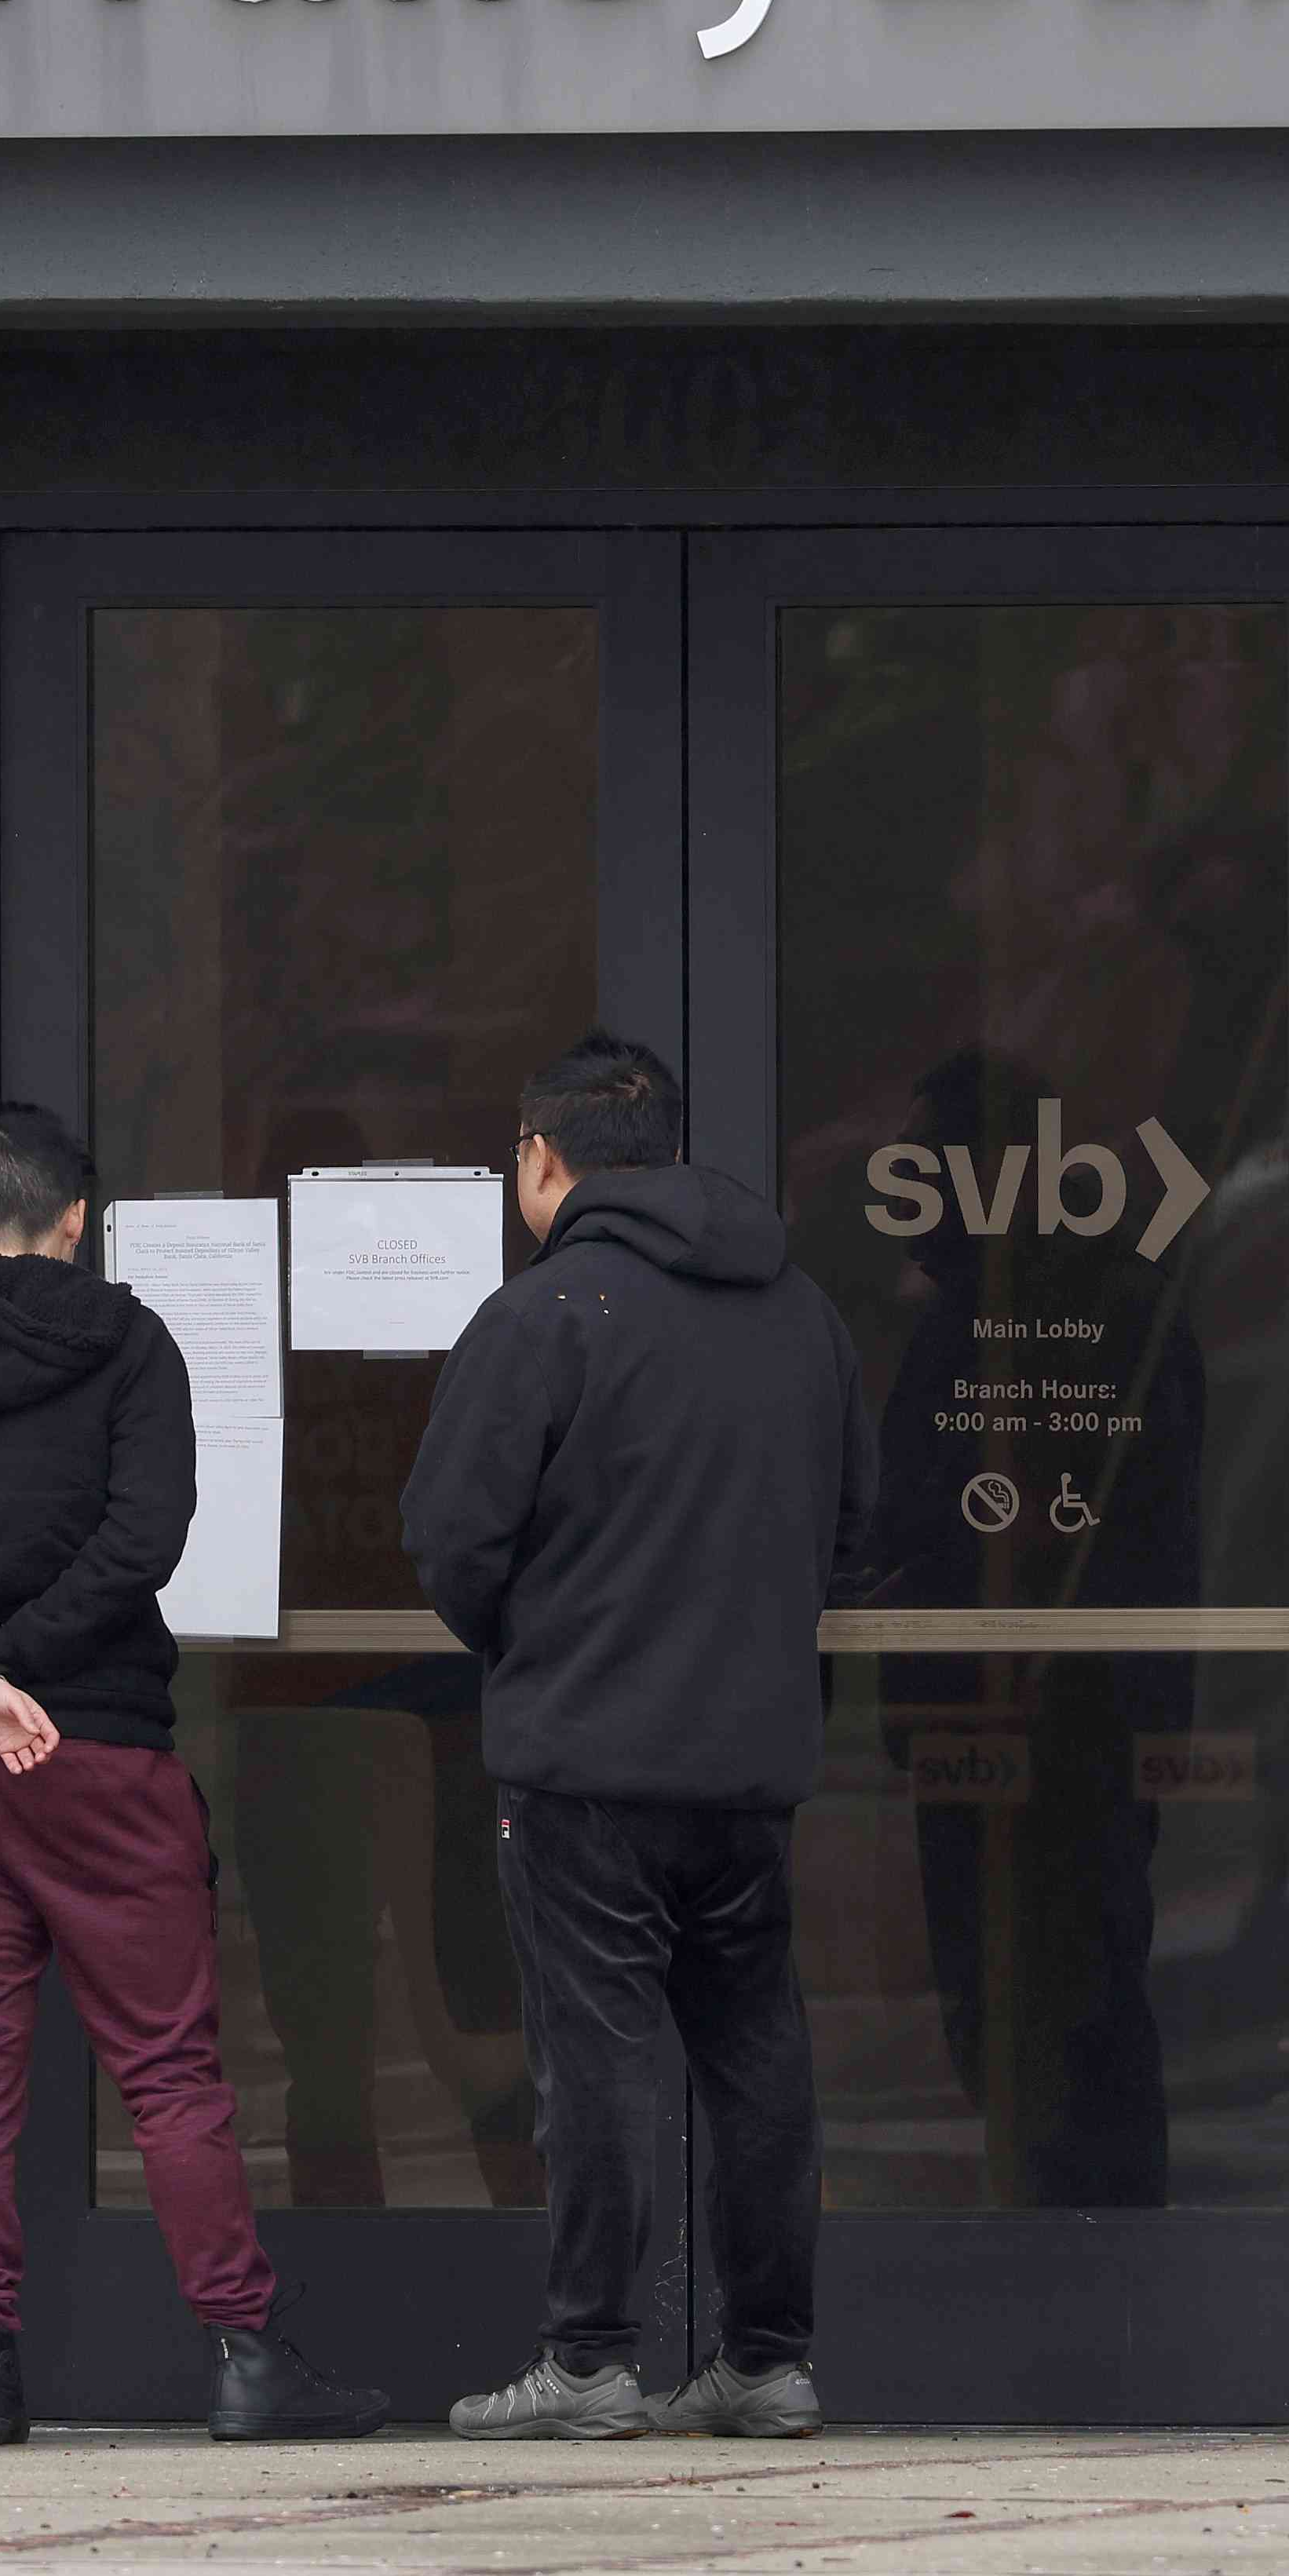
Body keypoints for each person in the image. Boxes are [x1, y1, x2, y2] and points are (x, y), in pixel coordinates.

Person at [0, 1100, 388, 2447]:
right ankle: (243, 2359)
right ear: (79, 1225)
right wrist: (14, 1675)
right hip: (105, 1754)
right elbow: (148, 1537)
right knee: (170, 2070)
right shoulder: (132, 1346)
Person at [403, 1032, 871, 2443]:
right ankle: (769, 2360)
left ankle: (593, 2364)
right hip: (750, 1760)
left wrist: (537, 1646)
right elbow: (855, 1533)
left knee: (596, 2059)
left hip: (585, 1759)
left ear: (543, 1161)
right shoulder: (805, 1317)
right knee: (756, 2055)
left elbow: (449, 1540)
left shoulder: (547, 1315)